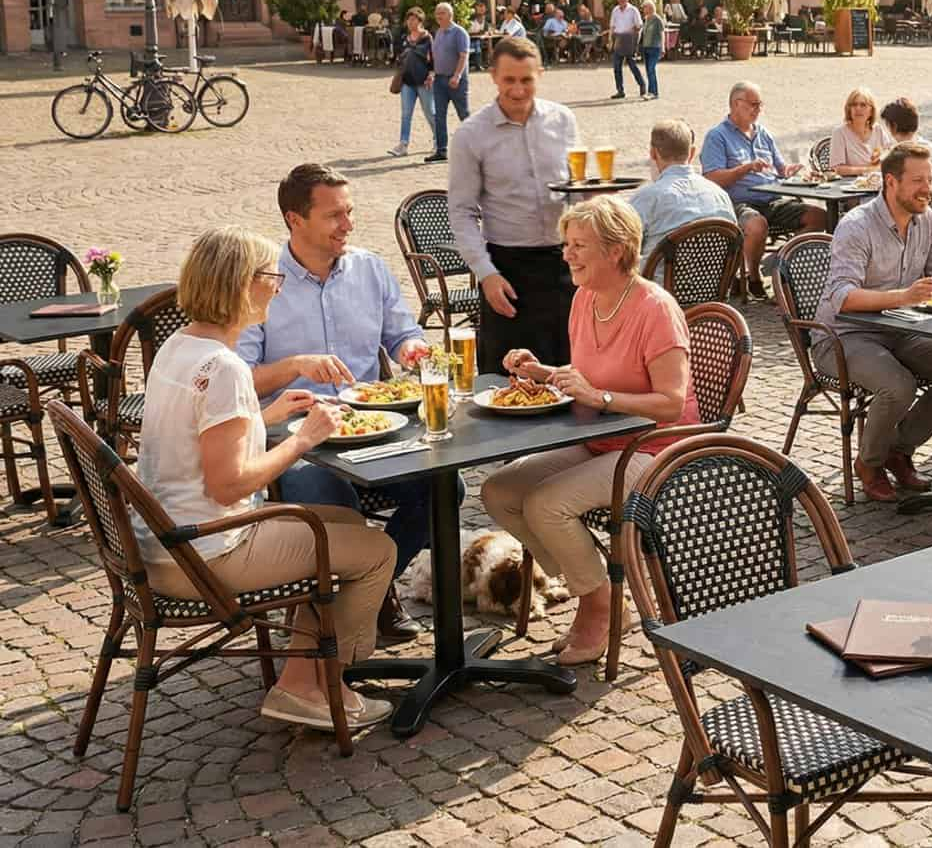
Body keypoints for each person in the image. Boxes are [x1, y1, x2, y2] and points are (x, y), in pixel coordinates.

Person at [136, 226, 396, 730]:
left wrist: (270, 415)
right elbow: (228, 485)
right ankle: (331, 683)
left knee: (343, 518)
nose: (278, 285)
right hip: (206, 552)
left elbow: (201, 438)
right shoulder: (225, 367)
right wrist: (303, 439)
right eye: (271, 276)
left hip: (165, 542)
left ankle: (300, 681)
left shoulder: (178, 346)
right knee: (375, 552)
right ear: (242, 285)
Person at [236, 163, 447, 644]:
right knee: (334, 499)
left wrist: (410, 349)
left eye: (350, 212)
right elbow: (241, 379)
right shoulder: (264, 281)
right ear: (295, 219)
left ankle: (371, 589)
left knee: (443, 490)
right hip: (294, 438)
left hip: (374, 426)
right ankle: (369, 599)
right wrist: (294, 365)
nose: (348, 224)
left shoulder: (370, 268)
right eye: (334, 215)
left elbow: (404, 334)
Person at [482, 198, 698, 667]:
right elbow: (588, 376)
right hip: (602, 439)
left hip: (658, 448)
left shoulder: (655, 309)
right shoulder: (585, 298)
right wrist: (538, 371)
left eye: (579, 245)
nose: (567, 254)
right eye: (566, 244)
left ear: (617, 251)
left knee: (546, 504)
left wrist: (597, 397)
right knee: (499, 490)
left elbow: (671, 402)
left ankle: (598, 606)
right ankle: (595, 584)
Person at [817, 142, 932, 501]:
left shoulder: (927, 220)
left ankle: (898, 448)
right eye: (918, 180)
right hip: (844, 334)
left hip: (903, 328)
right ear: (890, 182)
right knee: (899, 385)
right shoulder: (856, 225)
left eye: (930, 179)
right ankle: (870, 463)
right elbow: (842, 297)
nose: (928, 188)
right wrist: (903, 296)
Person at [449, 36, 580, 371]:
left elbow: (577, 189)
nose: (519, 89)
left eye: (527, 80)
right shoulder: (470, 135)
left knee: (570, 372)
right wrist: (485, 273)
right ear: (493, 76)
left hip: (564, 263)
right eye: (510, 80)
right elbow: (461, 212)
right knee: (507, 382)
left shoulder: (563, 120)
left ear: (540, 74)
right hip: (508, 271)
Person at [700, 81, 826, 299]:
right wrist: (745, 168)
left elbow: (781, 169)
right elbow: (712, 178)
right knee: (757, 225)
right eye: (753, 104)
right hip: (738, 202)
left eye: (760, 105)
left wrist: (791, 170)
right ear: (736, 104)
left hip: (772, 199)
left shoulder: (763, 134)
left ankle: (780, 263)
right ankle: (753, 278)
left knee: (820, 218)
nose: (758, 110)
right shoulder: (717, 136)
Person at [630, 119, 735, 264]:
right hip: (714, 285)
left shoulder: (648, 198)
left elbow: (621, 247)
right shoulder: (721, 195)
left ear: (653, 154)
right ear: (692, 153)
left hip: (659, 284)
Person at [426, 2, 472, 164]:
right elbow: (436, 57)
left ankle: (474, 148)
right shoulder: (439, 32)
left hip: (456, 81)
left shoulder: (459, 32)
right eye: (437, 13)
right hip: (439, 80)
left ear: (450, 15)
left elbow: (463, 55)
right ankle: (441, 150)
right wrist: (432, 73)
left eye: (442, 13)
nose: (438, 16)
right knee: (439, 116)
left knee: (464, 114)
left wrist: (457, 75)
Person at [390, 9, 432, 159]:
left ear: (420, 21)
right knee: (406, 114)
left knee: (429, 113)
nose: (410, 22)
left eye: (414, 20)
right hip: (407, 81)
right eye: (409, 20)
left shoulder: (427, 38)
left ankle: (438, 140)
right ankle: (403, 144)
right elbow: (399, 57)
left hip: (423, 81)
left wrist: (431, 74)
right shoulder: (404, 39)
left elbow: (433, 58)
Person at [830, 87, 894, 176]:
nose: (858, 108)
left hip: (876, 183)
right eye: (854, 105)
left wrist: (882, 157)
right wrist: (869, 170)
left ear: (871, 110)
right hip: (848, 185)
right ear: (849, 109)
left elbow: (891, 156)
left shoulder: (878, 130)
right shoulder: (839, 133)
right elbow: (838, 169)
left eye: (863, 105)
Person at [608, 0, 644, 100]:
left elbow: (639, 25)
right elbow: (612, 27)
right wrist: (610, 40)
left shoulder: (633, 10)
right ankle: (620, 90)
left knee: (632, 65)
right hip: (618, 38)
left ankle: (642, 85)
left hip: (629, 39)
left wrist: (633, 36)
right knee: (616, 66)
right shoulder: (615, 10)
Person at [637, 0, 668, 101]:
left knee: (651, 69)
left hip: (655, 47)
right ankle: (651, 91)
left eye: (645, 7)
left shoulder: (657, 19)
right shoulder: (646, 19)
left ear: (650, 7)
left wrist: (663, 47)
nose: (643, 9)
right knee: (648, 70)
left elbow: (662, 33)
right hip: (646, 48)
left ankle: (653, 92)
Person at [466, 1, 488, 71]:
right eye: (479, 9)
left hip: (481, 39)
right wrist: (477, 33)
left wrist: (484, 32)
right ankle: (478, 64)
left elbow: (485, 31)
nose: (481, 12)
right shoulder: (471, 20)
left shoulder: (485, 21)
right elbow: (467, 33)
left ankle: (479, 64)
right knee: (477, 45)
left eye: (482, 9)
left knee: (479, 44)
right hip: (470, 40)